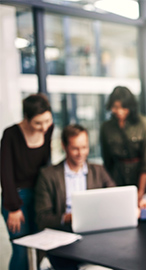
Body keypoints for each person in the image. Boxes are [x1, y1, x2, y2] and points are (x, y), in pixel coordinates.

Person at [35, 124, 115, 270]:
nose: (81, 153)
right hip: (62, 238)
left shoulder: (98, 171)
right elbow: (42, 218)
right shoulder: (48, 175)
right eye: (75, 148)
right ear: (64, 146)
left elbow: (115, 200)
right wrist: (69, 217)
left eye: (84, 147)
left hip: (93, 237)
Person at [1, 93, 53, 270]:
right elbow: (5, 174)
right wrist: (14, 207)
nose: (44, 127)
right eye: (38, 123)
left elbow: (47, 166)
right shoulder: (11, 134)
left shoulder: (48, 129)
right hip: (17, 197)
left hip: (40, 194)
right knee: (21, 249)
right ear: (26, 118)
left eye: (47, 121)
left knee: (40, 247)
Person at [100, 86, 146, 202]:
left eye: (123, 107)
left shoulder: (143, 123)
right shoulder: (106, 127)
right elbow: (107, 162)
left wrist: (140, 193)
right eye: (115, 107)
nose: (119, 111)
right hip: (118, 181)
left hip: (142, 182)